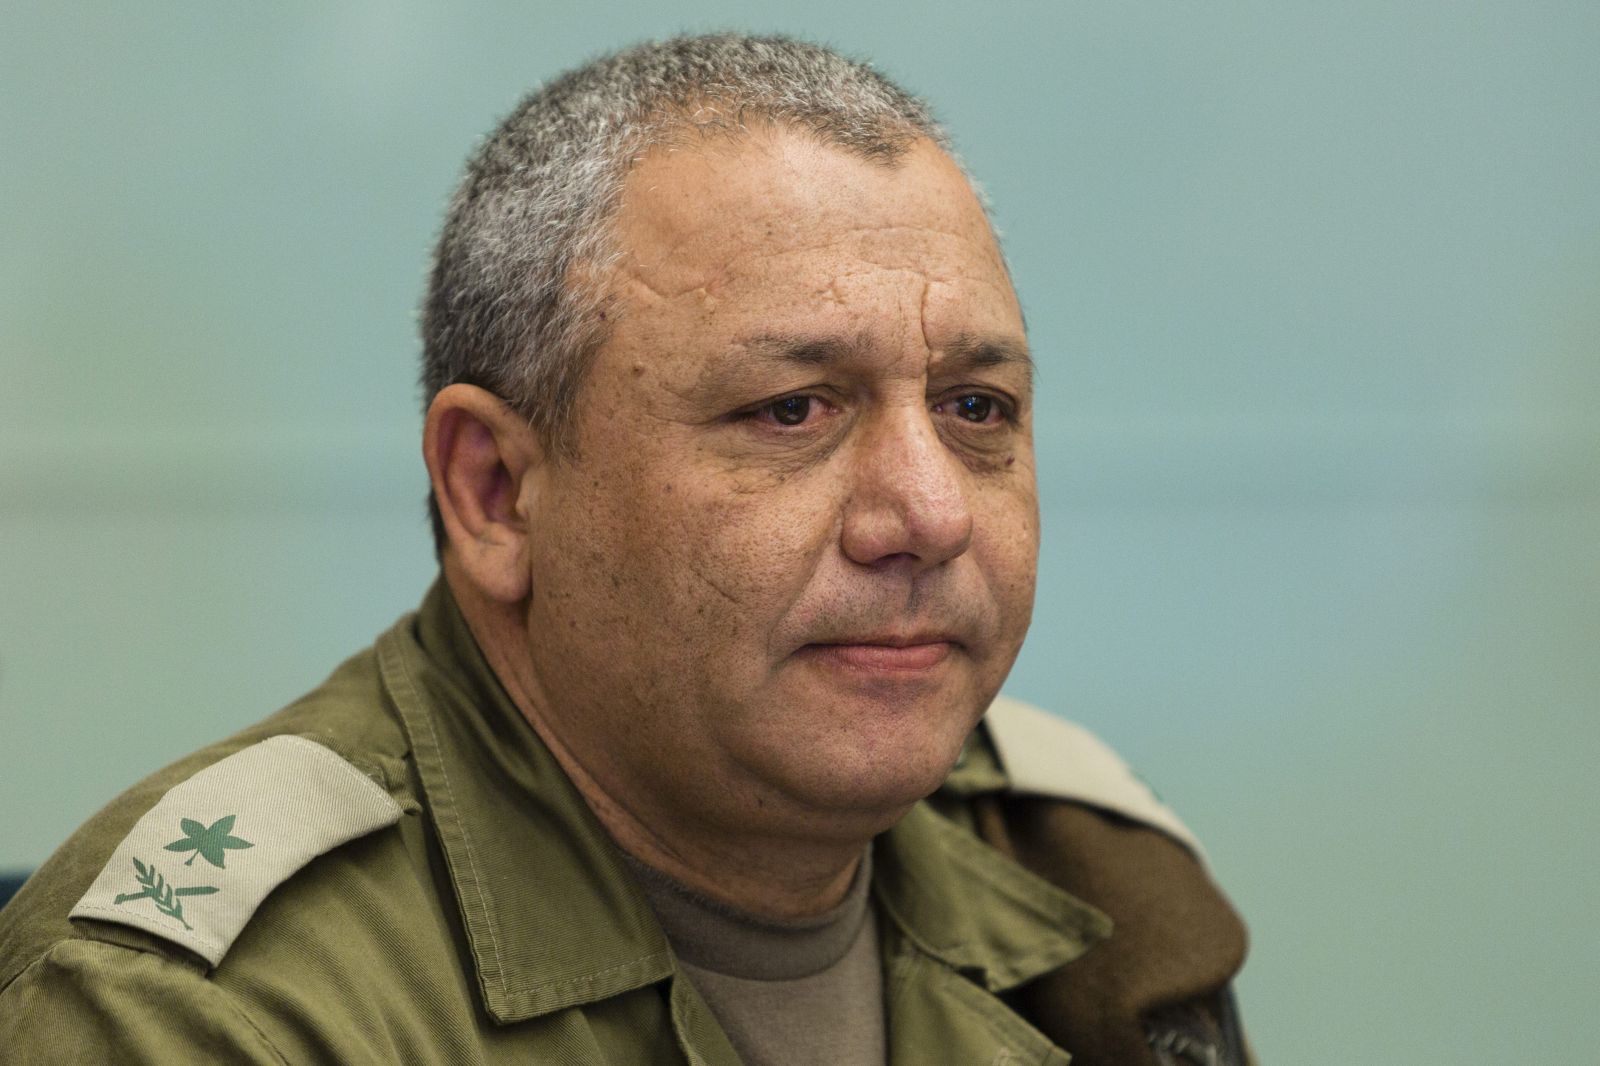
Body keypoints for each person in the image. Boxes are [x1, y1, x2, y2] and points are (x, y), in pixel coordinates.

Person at [0, 34, 1249, 1065]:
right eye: (792, 411)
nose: (931, 514)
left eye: (976, 408)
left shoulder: (1091, 870)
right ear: (496, 493)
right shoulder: (208, 1016)